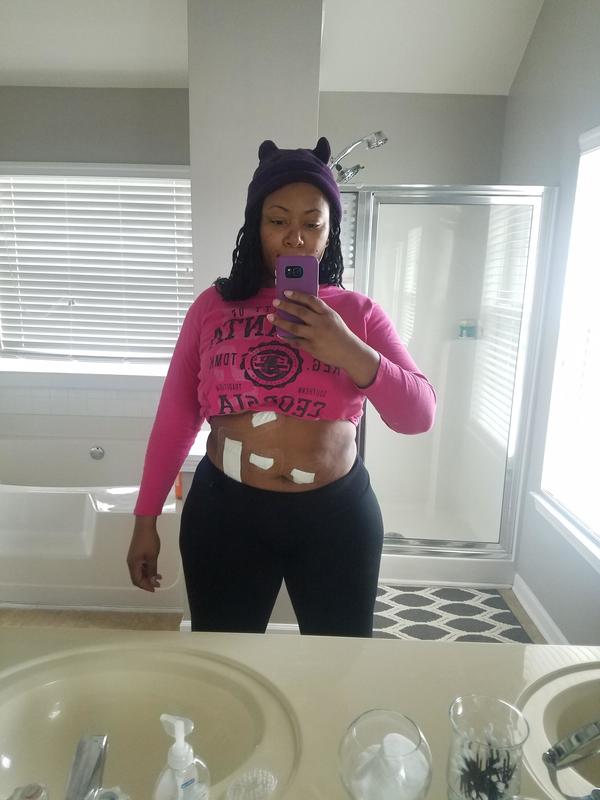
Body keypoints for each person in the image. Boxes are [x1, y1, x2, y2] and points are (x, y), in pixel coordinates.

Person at [127, 137, 436, 637]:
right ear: (256, 225)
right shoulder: (212, 307)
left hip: (336, 517)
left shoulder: (356, 313)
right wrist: (146, 519)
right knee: (225, 661)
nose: (295, 238)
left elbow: (418, 416)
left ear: (330, 232)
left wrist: (348, 349)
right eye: (277, 220)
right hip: (225, 515)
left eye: (312, 223)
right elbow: (175, 418)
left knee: (339, 662)